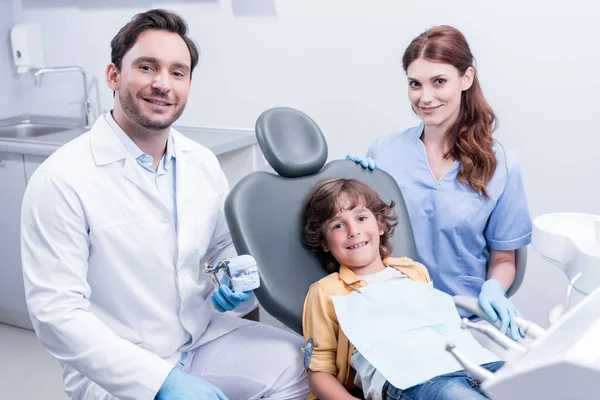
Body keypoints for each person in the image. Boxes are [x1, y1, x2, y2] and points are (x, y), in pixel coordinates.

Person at [21, 9, 308, 400]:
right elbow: (56, 314)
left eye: (177, 72)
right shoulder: (62, 178)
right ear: (113, 76)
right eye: (146, 67)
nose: (163, 84)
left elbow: (219, 247)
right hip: (120, 365)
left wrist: (230, 276)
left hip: (199, 336)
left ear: (189, 84)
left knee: (304, 366)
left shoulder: (201, 162)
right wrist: (161, 384)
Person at [347, 25, 532, 339]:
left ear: (466, 78)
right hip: (394, 319)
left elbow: (503, 258)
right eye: (415, 84)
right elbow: (360, 241)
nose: (425, 97)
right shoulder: (384, 152)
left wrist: (493, 288)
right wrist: (353, 188)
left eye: (439, 82)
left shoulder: (502, 166)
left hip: (466, 319)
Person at [302, 178, 504, 400]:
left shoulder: (413, 271)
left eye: (361, 218)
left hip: (469, 360)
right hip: (415, 379)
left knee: (529, 384)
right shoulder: (326, 291)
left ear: (379, 225)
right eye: (338, 225)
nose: (353, 231)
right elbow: (319, 374)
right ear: (324, 241)